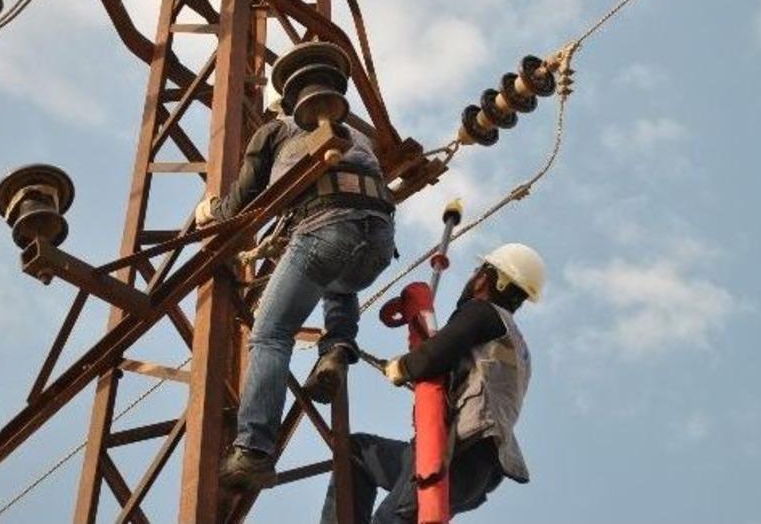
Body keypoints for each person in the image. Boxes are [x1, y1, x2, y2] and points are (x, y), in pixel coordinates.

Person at [195, 92, 396, 491]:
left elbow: (241, 202)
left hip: (324, 231)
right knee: (336, 279)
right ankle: (337, 349)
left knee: (270, 334)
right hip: (378, 244)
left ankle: (253, 451)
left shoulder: (275, 130)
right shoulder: (355, 134)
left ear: (281, 104)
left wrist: (212, 212)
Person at [319, 243, 544, 524]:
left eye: (477, 271)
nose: (473, 277)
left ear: (487, 278)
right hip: (473, 465)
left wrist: (404, 367)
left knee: (392, 518)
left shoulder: (483, 312)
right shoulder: (516, 345)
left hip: (458, 455)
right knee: (356, 452)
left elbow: (436, 354)